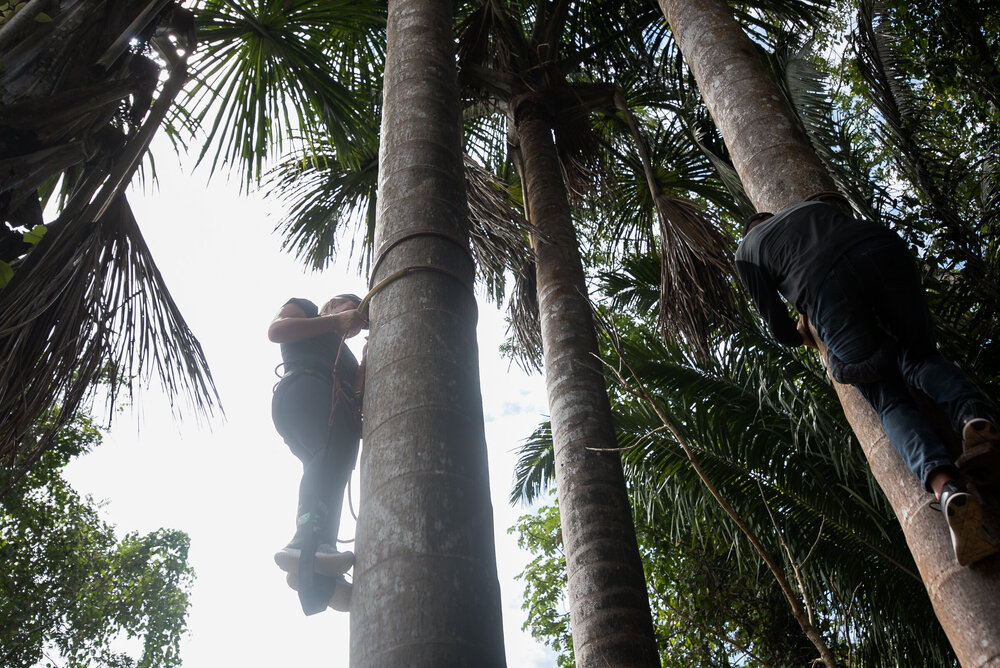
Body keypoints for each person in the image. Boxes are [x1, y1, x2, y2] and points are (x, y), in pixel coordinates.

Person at [736, 200, 999, 566]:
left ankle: (947, 488)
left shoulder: (747, 249)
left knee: (888, 398)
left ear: (751, 228)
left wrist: (804, 333)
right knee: (920, 354)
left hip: (826, 287)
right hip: (881, 246)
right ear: (773, 218)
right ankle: (973, 418)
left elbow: (778, 326)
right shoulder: (812, 208)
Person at [268, 293, 368, 613]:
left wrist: (366, 362)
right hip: (304, 389)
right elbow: (276, 331)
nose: (355, 317)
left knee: (331, 473)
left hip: (333, 411)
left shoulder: (348, 355)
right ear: (333, 304)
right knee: (323, 457)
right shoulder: (308, 310)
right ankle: (303, 543)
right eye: (351, 308)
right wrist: (334, 323)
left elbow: (357, 391)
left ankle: (319, 574)